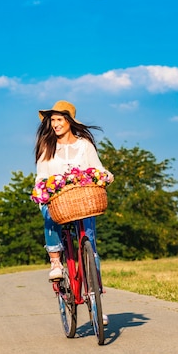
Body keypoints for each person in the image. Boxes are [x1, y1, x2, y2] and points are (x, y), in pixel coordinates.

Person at [34, 100, 113, 282]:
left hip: (82, 200)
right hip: (58, 201)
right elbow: (41, 176)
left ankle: (96, 296)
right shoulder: (48, 146)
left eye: (59, 119)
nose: (55, 124)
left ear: (70, 121)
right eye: (53, 120)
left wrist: (106, 176)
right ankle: (55, 262)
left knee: (90, 244)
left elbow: (97, 168)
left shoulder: (84, 145)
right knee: (49, 213)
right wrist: (42, 191)